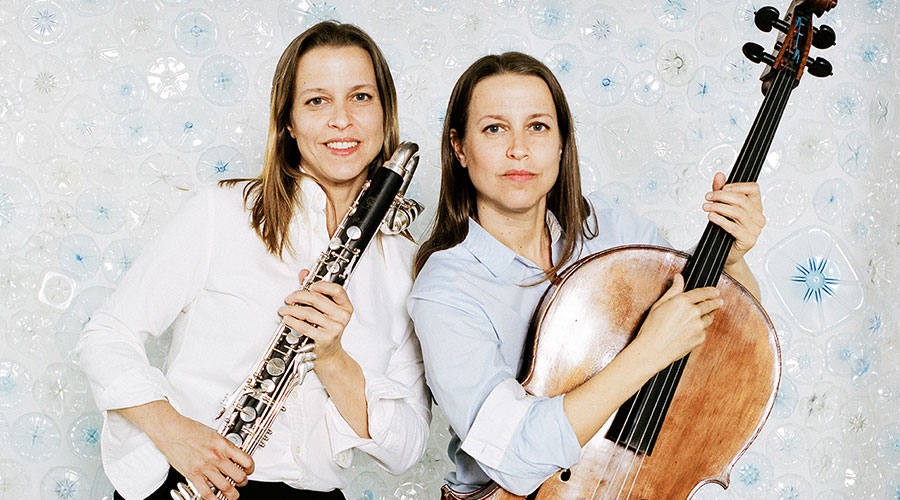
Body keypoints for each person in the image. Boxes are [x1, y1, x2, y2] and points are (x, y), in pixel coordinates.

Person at [78, 22, 431, 500]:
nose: (342, 120)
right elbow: (106, 335)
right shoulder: (222, 212)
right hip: (190, 479)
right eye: (316, 101)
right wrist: (175, 432)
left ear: (385, 112)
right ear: (287, 119)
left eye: (361, 97)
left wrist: (331, 357)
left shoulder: (408, 264)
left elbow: (407, 448)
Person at [407, 52, 766, 497]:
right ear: (460, 148)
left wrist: (732, 258)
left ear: (560, 144)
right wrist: (647, 352)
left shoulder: (615, 234)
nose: (518, 148)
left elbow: (731, 352)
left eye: (537, 126)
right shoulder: (444, 289)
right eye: (494, 128)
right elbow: (514, 457)